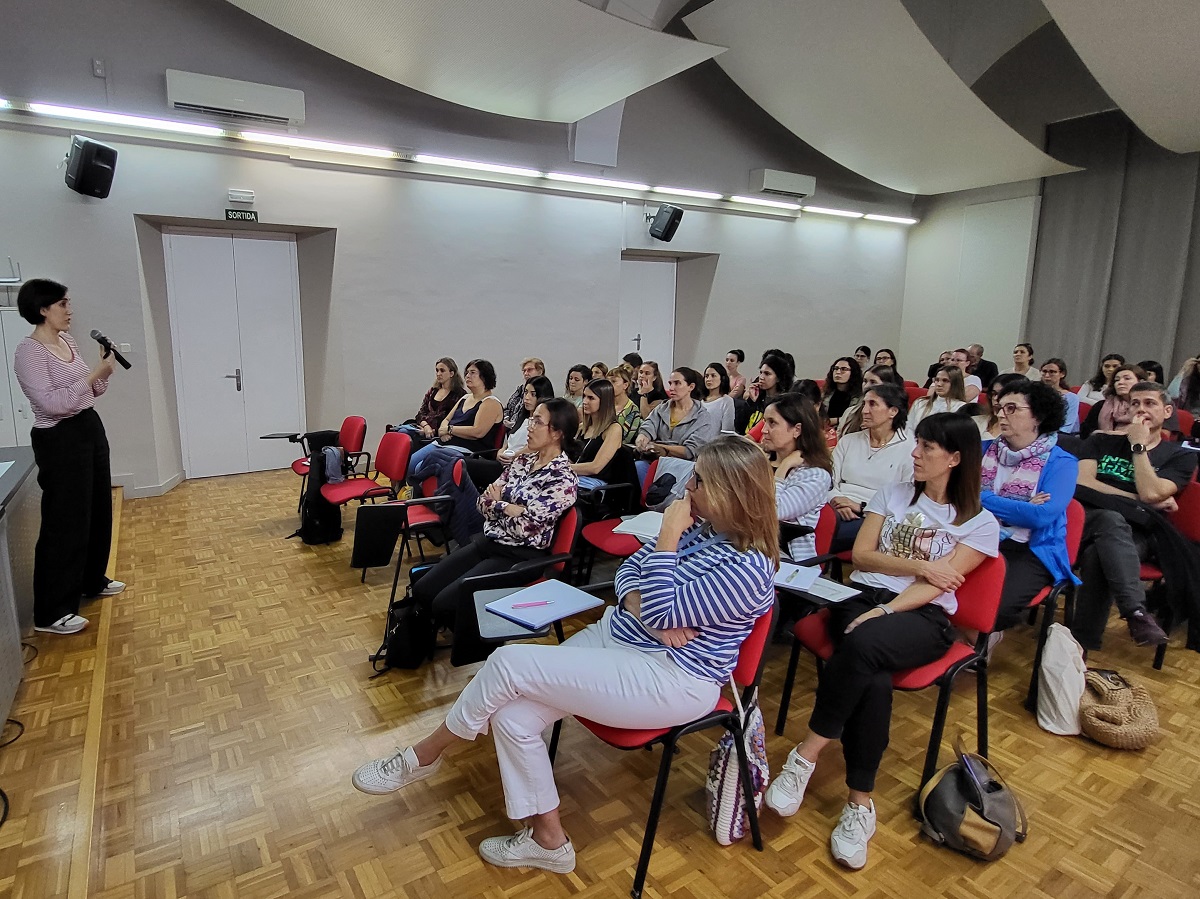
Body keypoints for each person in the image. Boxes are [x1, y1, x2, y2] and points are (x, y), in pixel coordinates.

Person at [352, 437, 777, 874]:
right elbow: (629, 572)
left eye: (701, 481)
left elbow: (663, 604)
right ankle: (550, 842)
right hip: (621, 638)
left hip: (673, 677)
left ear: (733, 492)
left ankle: (425, 755)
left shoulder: (749, 567)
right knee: (512, 716)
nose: (689, 488)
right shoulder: (700, 528)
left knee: (508, 662)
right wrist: (642, 604)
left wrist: (666, 543)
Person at [766, 413, 998, 870]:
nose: (915, 453)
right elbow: (862, 555)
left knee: (864, 646)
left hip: (921, 615)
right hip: (858, 595)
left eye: (927, 448)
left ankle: (806, 754)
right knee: (869, 672)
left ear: (955, 458)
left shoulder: (979, 523)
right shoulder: (890, 494)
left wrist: (889, 608)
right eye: (917, 445)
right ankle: (860, 802)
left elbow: (939, 587)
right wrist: (920, 566)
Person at [408, 398, 579, 643]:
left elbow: (524, 528)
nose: (529, 426)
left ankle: (479, 646)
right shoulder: (522, 461)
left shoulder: (563, 480)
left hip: (519, 557)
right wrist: (510, 508)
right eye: (531, 419)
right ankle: (436, 637)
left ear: (557, 433)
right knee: (423, 589)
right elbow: (481, 503)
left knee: (444, 603)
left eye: (538, 422)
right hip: (488, 542)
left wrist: (498, 505)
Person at [13, 279, 125, 635]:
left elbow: (91, 392)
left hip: (88, 427)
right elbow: (52, 404)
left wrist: (101, 371)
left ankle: (92, 580)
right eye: (62, 304)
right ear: (43, 308)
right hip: (58, 438)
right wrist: (94, 374)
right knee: (65, 520)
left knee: (96, 508)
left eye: (68, 303)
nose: (69, 310)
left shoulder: (69, 342)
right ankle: (52, 611)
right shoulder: (29, 352)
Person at [1071, 382, 1197, 650]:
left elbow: (1153, 492)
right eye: (1135, 403)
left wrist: (1138, 447)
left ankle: (1083, 645)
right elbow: (1081, 482)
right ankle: (1136, 611)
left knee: (1098, 554)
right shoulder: (1101, 440)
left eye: (1149, 403)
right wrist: (1135, 499)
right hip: (1086, 521)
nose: (1140, 409)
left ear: (1167, 411)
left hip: (1137, 534)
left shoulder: (1181, 457)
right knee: (1109, 520)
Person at [980, 380, 1078, 632]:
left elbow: (1040, 517)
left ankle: (979, 643)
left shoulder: (1061, 462)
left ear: (1038, 416)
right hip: (976, 536)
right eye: (1000, 407)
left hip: (1030, 549)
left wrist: (978, 497)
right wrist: (1021, 506)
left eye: (1012, 408)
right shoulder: (982, 450)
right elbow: (954, 497)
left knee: (995, 607)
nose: (1001, 414)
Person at [828, 384, 915, 553]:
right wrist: (837, 500)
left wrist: (861, 506)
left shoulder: (910, 448)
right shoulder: (849, 441)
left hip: (875, 516)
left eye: (873, 404)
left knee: (819, 534)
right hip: (835, 507)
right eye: (864, 404)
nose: (864, 411)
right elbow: (828, 481)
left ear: (893, 411)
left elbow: (905, 499)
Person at [761, 394, 833, 561]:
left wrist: (782, 469)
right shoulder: (759, 462)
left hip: (785, 558)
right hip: (747, 547)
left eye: (772, 423)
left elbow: (775, 510)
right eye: (765, 421)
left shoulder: (815, 475)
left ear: (797, 430)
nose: (764, 430)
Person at [408, 359, 505, 473]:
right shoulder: (465, 398)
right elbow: (447, 419)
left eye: (473, 373)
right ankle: (411, 489)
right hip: (446, 442)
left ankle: (421, 490)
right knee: (411, 463)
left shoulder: (490, 403)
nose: (467, 376)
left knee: (421, 467)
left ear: (485, 376)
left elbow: (477, 432)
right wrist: (443, 430)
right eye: (467, 372)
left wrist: (449, 430)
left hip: (468, 450)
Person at [464, 376, 555, 490]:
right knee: (455, 462)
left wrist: (513, 456)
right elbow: (508, 443)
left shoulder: (543, 424)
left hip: (517, 468)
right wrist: (501, 452)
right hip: (504, 462)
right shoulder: (522, 419)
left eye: (533, 394)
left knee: (462, 464)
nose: (526, 398)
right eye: (525, 392)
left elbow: (534, 447)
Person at [635, 367, 718, 461]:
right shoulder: (661, 408)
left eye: (677, 383)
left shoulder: (702, 417)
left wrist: (659, 447)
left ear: (691, 387)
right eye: (670, 383)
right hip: (653, 459)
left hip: (683, 465)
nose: (671, 388)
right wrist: (642, 439)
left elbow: (690, 451)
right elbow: (647, 428)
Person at [393, 357, 467, 449]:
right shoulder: (433, 391)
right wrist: (426, 426)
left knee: (408, 438)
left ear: (451, 373)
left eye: (442, 371)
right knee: (402, 433)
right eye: (437, 370)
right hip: (423, 427)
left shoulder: (459, 395)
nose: (438, 374)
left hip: (439, 433)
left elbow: (456, 419)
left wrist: (433, 430)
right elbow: (421, 413)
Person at [572, 378, 624, 489]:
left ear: (604, 401)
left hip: (594, 485)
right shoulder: (582, 428)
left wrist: (561, 468)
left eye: (591, 398)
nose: (585, 401)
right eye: (584, 396)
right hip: (574, 477)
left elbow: (595, 467)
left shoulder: (613, 429)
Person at [1079, 364, 1145, 439]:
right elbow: (1085, 434)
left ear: (1141, 382)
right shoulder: (1100, 406)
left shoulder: (1146, 409)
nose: (1120, 382)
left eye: (1127, 378)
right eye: (1117, 380)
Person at [839, 365, 901, 436]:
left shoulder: (894, 414)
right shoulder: (850, 411)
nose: (866, 386)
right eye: (865, 381)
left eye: (873, 382)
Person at [744, 353, 794, 432]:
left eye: (767, 374)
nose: (761, 377)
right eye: (761, 372)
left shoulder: (784, 402)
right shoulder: (758, 396)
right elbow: (742, 424)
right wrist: (752, 402)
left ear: (778, 378)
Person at [973, 373, 1028, 441]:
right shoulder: (975, 422)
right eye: (994, 393)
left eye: (1002, 394)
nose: (995, 398)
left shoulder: (1028, 430)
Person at [1040, 357, 1080, 434]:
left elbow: (1068, 426)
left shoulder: (1071, 398)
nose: (1047, 375)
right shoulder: (1035, 393)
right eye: (1044, 371)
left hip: (1063, 435)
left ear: (1062, 374)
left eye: (1052, 372)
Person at [502, 358, 544, 430]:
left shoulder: (543, 390)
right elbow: (508, 407)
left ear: (540, 371)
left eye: (529, 370)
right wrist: (506, 418)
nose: (526, 373)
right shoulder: (520, 390)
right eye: (524, 371)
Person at [821, 358, 863, 431]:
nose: (838, 372)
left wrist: (835, 420)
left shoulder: (859, 395)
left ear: (853, 372)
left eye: (843, 369)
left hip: (849, 430)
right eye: (836, 368)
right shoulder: (826, 393)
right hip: (826, 430)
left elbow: (855, 418)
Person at [606, 363, 643, 443]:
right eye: (607, 381)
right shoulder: (604, 405)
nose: (609, 385)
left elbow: (625, 438)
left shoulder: (632, 410)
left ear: (625, 385)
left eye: (613, 381)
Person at [702, 362, 736, 432]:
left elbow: (727, 431)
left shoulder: (727, 401)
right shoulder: (700, 402)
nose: (709, 379)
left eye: (713, 376)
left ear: (722, 378)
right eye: (706, 376)